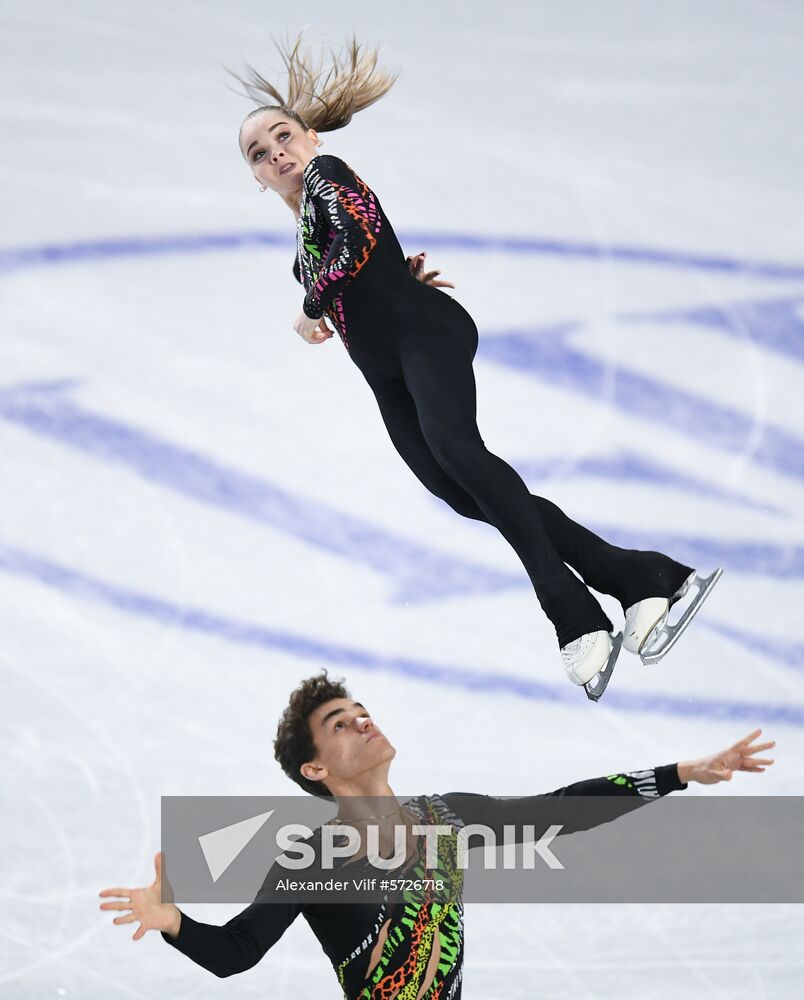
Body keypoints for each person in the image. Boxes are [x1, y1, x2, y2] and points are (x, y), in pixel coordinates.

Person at [228, 36, 722, 699]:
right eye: (259, 153)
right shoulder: (301, 234)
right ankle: (639, 575)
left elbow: (353, 238)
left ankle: (570, 613)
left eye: (282, 135)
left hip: (423, 337)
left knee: (462, 455)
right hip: (388, 370)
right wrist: (366, 287)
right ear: (257, 177)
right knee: (460, 491)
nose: (275, 152)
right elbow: (359, 261)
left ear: (311, 136)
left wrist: (313, 305)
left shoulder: (328, 173)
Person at [100, 672, 775, 998]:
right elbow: (237, 953)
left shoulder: (445, 819)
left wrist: (678, 773)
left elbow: (562, 812)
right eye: (341, 723)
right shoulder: (311, 859)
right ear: (315, 768)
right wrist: (172, 921)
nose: (364, 721)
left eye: (362, 711)